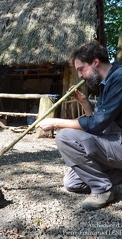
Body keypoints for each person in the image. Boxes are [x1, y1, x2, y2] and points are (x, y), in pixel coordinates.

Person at [37, 41, 122, 210]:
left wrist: (55, 122)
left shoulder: (119, 79)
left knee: (65, 136)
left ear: (95, 62)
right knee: (72, 183)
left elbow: (97, 125)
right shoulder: (106, 83)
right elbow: (100, 124)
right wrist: (84, 103)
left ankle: (102, 190)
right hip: (115, 142)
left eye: (81, 69)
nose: (80, 76)